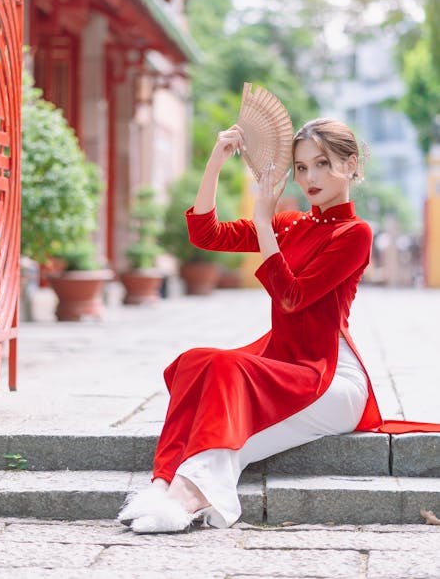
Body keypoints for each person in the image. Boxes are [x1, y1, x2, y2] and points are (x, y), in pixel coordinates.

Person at [117, 117, 439, 534]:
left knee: (228, 371)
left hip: (329, 378)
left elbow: (292, 297)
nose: (310, 177)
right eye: (302, 168)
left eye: (322, 163)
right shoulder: (292, 225)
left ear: (351, 163)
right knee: (198, 361)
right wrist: (217, 159)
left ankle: (181, 497)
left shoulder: (354, 233)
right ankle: (167, 489)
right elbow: (206, 233)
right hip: (284, 365)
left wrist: (265, 224)